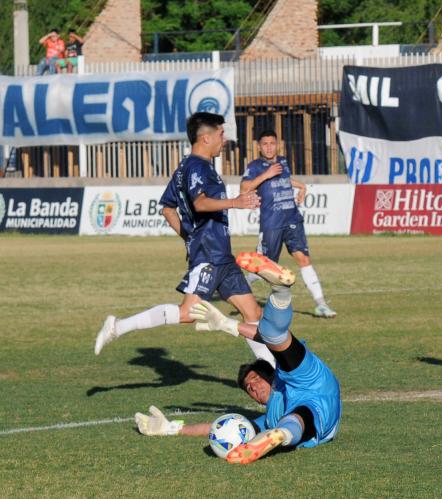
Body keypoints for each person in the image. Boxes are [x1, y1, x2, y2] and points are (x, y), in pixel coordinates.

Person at [94, 112, 275, 367]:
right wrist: (236, 202)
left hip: (220, 255)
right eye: (221, 135)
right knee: (187, 313)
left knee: (253, 313)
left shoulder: (185, 168)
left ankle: (274, 375)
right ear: (205, 138)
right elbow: (200, 203)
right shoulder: (197, 167)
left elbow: (167, 208)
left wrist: (189, 236)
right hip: (209, 255)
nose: (224, 140)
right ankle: (118, 326)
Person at [135, 253, 341, 465]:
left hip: (308, 380)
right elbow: (218, 426)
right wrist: (170, 428)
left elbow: (264, 337)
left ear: (270, 376)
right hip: (318, 417)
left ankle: (281, 289)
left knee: (273, 336)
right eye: (249, 389)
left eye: (255, 380)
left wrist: (227, 324)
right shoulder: (270, 416)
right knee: (294, 420)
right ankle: (280, 435)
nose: (253, 387)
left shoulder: (283, 374)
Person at [241, 130, 336, 318]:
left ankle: (321, 304)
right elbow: (244, 188)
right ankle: (244, 284)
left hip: (292, 219)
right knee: (266, 267)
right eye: (265, 144)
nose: (269, 147)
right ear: (259, 147)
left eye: (272, 143)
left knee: (303, 259)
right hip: (271, 223)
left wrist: (301, 186)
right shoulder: (255, 166)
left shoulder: (283, 161)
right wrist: (266, 175)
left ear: (278, 144)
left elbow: (284, 179)